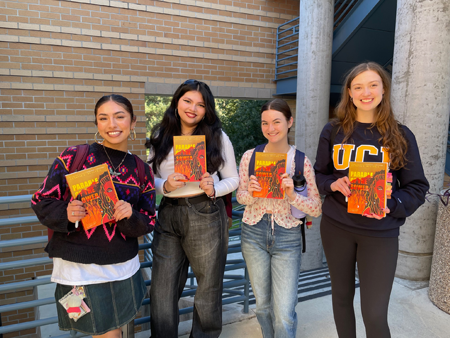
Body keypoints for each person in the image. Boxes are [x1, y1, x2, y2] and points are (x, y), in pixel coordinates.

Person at [314, 62, 429, 338]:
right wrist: (332, 183)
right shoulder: (333, 131)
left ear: (383, 90)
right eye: (358, 87)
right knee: (341, 298)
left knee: (374, 314)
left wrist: (390, 203)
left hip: (380, 233)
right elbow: (318, 174)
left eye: (373, 85)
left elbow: (417, 187)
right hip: (336, 227)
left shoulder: (401, 135)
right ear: (349, 94)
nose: (366, 92)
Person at [31, 94, 156, 338]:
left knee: (114, 332)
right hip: (77, 271)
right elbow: (41, 201)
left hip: (123, 268)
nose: (112, 124)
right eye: (103, 118)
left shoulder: (142, 169)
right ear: (96, 124)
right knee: (104, 334)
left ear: (133, 122)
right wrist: (67, 213)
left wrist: (130, 216)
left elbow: (148, 220)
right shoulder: (73, 157)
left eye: (120, 117)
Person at [146, 79, 239, 338]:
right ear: (177, 102)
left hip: (205, 212)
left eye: (200, 105)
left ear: (207, 110)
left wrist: (213, 188)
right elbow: (149, 177)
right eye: (187, 101)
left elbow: (234, 178)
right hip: (168, 213)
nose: (193, 108)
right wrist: (165, 184)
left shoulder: (218, 137)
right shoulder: (160, 135)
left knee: (208, 288)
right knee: (162, 290)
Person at [236, 98, 322, 338]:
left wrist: (293, 195)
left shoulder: (300, 161)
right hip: (253, 232)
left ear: (289, 122)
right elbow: (240, 196)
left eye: (277, 122)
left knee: (284, 311)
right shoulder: (249, 157)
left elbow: (316, 208)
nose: (271, 128)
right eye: (265, 123)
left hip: (288, 236)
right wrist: (251, 194)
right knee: (263, 306)